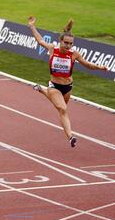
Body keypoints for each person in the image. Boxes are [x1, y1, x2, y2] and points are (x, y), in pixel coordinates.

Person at [28, 16, 108, 148]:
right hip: (54, 85)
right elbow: (40, 40)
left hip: (68, 87)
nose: (68, 46)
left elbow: (87, 64)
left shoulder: (74, 54)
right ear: (60, 41)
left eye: (71, 43)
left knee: (60, 109)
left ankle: (42, 90)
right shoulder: (53, 49)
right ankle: (70, 137)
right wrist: (31, 26)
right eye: (66, 43)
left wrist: (100, 67)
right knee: (63, 109)